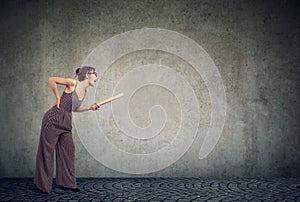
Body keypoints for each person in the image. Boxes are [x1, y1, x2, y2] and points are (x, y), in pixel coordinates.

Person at [34, 66, 99, 193]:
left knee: (68, 151)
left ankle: (67, 183)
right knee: (46, 152)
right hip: (53, 119)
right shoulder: (73, 83)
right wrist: (58, 98)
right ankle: (42, 186)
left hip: (65, 123)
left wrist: (90, 108)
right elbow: (52, 79)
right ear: (87, 74)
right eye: (95, 74)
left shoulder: (84, 92)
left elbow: (73, 108)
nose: (97, 76)